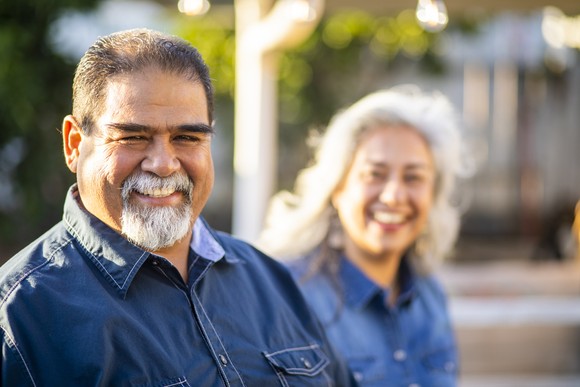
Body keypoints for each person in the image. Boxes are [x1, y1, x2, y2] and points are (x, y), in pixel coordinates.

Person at [0, 28, 356, 386]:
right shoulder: (21, 318)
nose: (164, 163)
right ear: (75, 143)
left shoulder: (271, 282)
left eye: (187, 138)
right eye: (133, 137)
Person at [258, 86, 473, 386]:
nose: (394, 195)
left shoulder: (431, 296)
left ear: (433, 194)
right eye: (375, 174)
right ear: (337, 187)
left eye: (413, 177)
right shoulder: (290, 298)